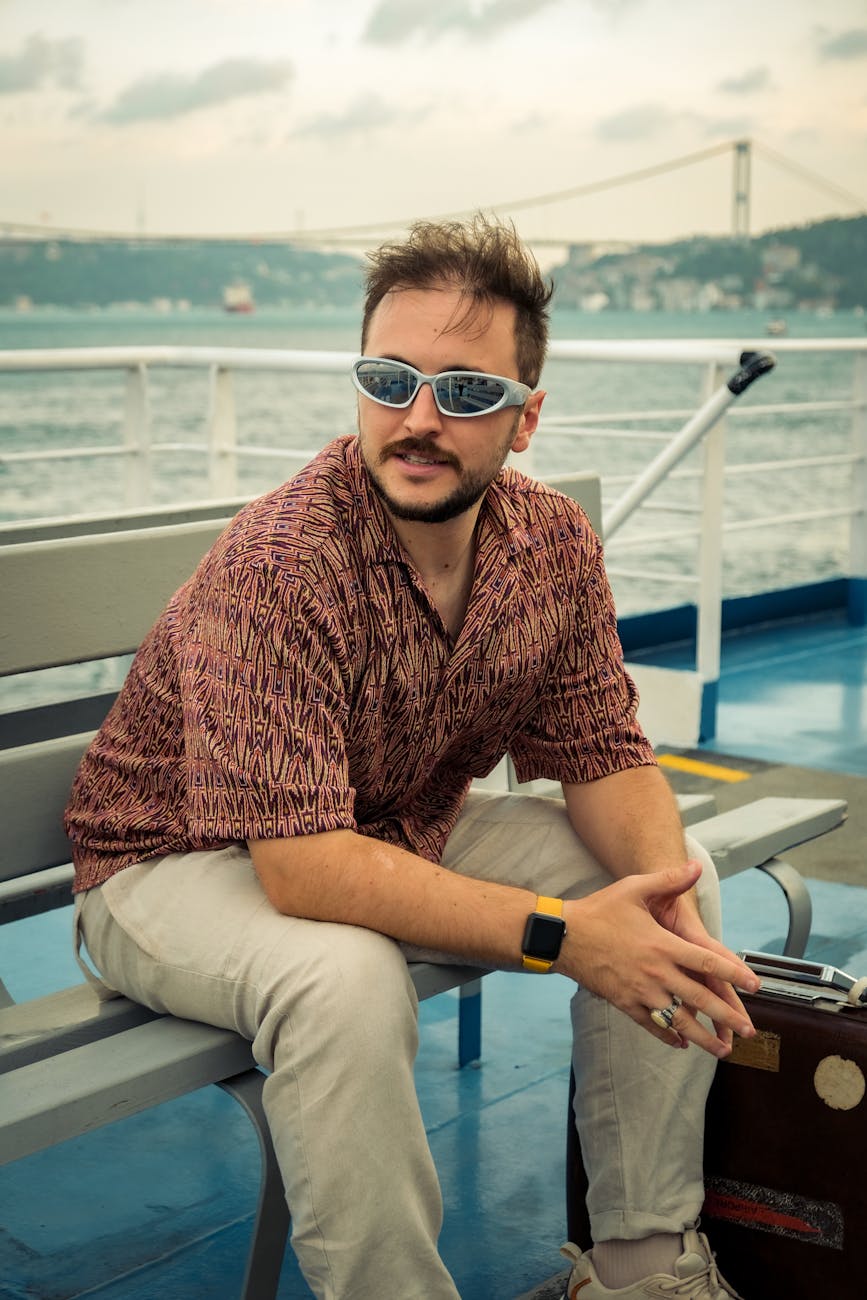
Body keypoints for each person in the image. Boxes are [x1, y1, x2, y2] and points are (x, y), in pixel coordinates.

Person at [65, 215, 757, 1300]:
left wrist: (651, 900)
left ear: (525, 421)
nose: (420, 420)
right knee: (343, 978)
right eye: (390, 381)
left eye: (469, 394)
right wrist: (568, 939)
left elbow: (606, 759)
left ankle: (640, 1266)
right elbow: (302, 872)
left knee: (678, 881)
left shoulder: (553, 544)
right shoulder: (284, 562)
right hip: (172, 865)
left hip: (388, 824)